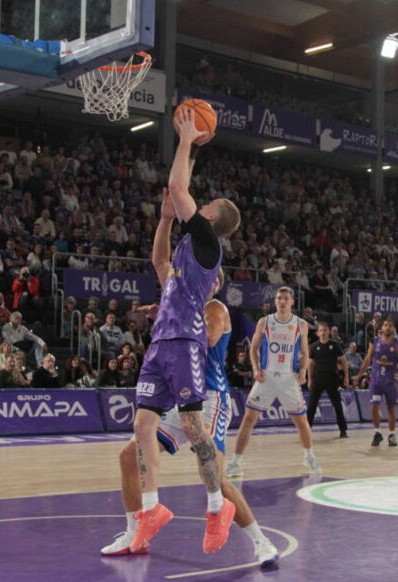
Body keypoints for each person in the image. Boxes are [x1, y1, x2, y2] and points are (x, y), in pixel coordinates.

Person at [102, 275, 279, 569]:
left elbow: (206, 340)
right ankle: (136, 535)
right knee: (128, 457)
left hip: (211, 399)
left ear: (213, 283)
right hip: (182, 399)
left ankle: (261, 541)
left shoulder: (214, 309)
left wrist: (171, 317)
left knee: (214, 478)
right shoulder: (182, 308)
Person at [130, 107, 242, 556]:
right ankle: (152, 509)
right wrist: (161, 220)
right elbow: (158, 262)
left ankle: (218, 506)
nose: (201, 202)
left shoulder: (207, 242)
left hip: (185, 342)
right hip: (160, 342)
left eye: (206, 204)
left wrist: (185, 138)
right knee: (141, 423)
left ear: (211, 219)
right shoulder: (180, 258)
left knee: (194, 426)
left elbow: (179, 188)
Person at [225, 287, 319, 478]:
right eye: (279, 298)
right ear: (275, 301)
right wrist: (256, 369)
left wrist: (303, 370)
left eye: (286, 298)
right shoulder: (264, 322)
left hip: (288, 379)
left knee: (301, 421)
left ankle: (309, 457)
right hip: (266, 377)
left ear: (292, 302)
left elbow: (304, 352)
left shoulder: (301, 324)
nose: (282, 301)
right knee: (248, 419)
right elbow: (253, 349)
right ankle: (236, 462)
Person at [357, 319, 398, 447]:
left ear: (393, 328)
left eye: (390, 325)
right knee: (374, 407)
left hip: (390, 382)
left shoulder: (397, 344)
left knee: (391, 409)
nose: (388, 327)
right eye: (385, 325)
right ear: (381, 328)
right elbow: (367, 360)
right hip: (376, 381)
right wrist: (359, 375)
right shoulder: (374, 342)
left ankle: (392, 434)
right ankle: (377, 433)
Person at [306, 322, 349, 438]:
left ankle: (343, 430)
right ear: (317, 333)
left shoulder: (334, 344)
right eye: (321, 330)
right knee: (312, 405)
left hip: (332, 378)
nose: (323, 332)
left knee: (337, 405)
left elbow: (343, 361)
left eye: (325, 330)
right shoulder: (314, 346)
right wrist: (310, 379)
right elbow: (310, 364)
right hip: (318, 378)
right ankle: (307, 429)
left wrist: (346, 376)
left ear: (329, 332)